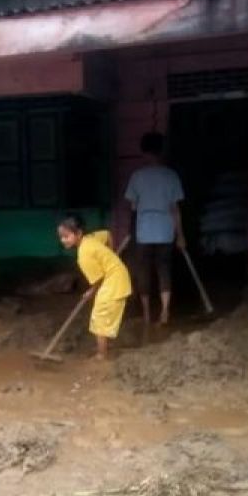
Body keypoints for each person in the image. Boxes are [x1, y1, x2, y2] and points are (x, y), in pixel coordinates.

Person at [124, 131, 186, 326]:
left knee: (144, 271)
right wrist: (180, 236)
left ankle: (147, 314)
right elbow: (175, 209)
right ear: (161, 151)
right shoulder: (171, 175)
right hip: (165, 231)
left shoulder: (137, 176)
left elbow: (133, 207)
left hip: (144, 231)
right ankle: (165, 312)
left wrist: (130, 232)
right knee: (164, 269)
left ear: (144, 153)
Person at [56, 213, 132, 361]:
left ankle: (101, 355)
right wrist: (111, 252)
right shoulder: (90, 238)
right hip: (116, 276)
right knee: (101, 315)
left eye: (66, 236)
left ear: (78, 233)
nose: (63, 240)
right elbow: (108, 234)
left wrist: (91, 291)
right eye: (61, 237)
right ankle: (104, 346)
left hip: (114, 282)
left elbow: (98, 279)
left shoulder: (84, 254)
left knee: (99, 318)